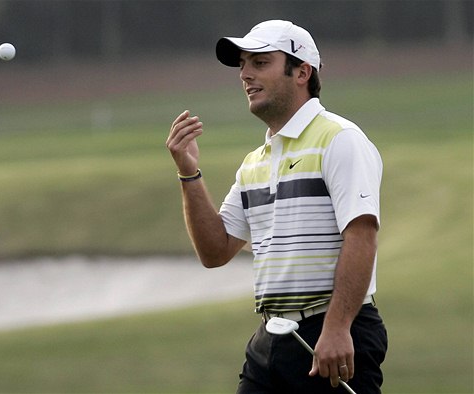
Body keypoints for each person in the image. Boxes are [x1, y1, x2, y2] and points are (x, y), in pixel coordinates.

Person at [166, 20, 388, 393]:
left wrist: (337, 327)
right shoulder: (255, 161)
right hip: (271, 339)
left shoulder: (340, 139)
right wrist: (189, 175)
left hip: (330, 332)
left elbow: (361, 236)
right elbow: (215, 250)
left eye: (260, 63)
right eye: (243, 65)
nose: (246, 75)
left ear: (302, 72)